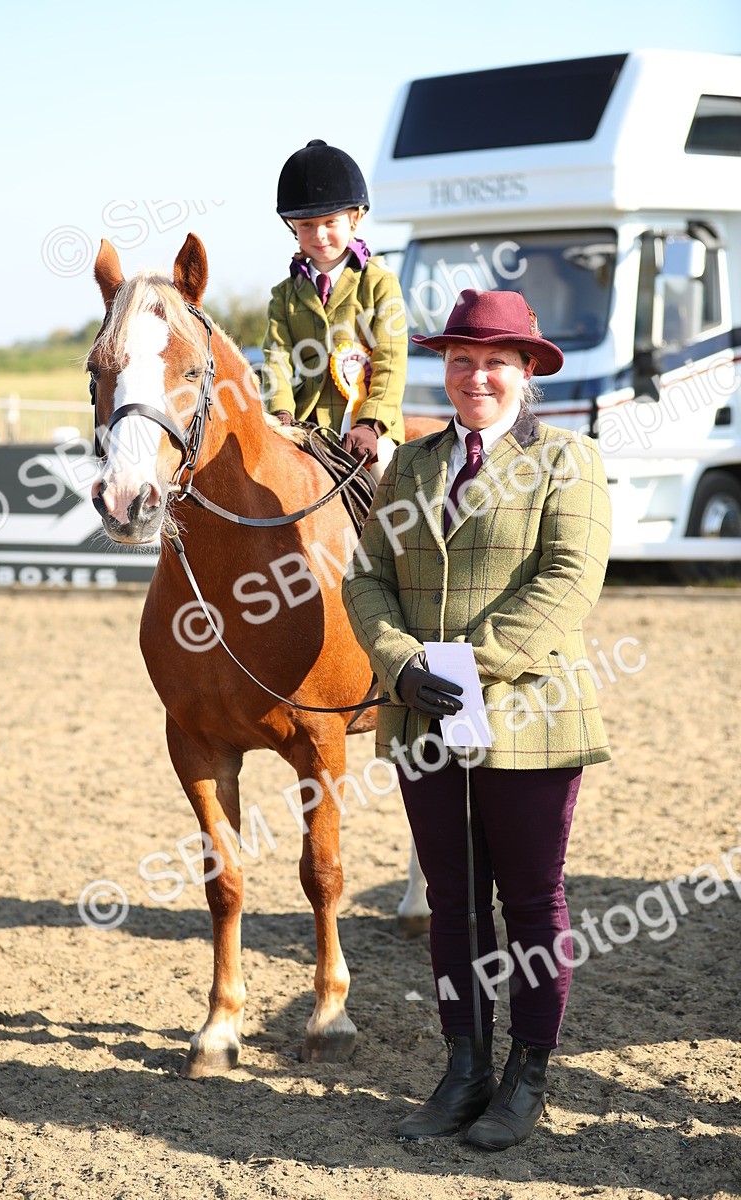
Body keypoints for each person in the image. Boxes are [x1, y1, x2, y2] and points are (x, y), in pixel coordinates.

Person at [342, 289, 612, 1150]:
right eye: (461, 360)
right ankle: (464, 1068)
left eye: (495, 360)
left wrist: (469, 665)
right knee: (454, 904)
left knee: (532, 903)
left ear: (526, 371)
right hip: (425, 719)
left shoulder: (570, 461)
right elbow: (365, 577)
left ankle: (526, 1077)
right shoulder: (411, 466)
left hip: (528, 718)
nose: (476, 375)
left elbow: (568, 581)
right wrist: (401, 663)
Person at [262, 139, 406, 481]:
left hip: (367, 427)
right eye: (307, 225)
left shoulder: (379, 281)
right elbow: (276, 359)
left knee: (386, 472)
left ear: (354, 218)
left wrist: (371, 422)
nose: (319, 234)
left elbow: (391, 358)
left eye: (330, 222)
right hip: (303, 425)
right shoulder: (284, 295)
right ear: (292, 226)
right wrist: (281, 413)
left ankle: (398, 536)